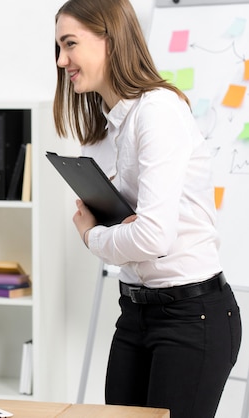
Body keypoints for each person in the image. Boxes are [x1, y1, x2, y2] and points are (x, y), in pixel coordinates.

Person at [53, 0, 241, 417]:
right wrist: (124, 233)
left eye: (70, 44)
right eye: (58, 48)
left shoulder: (157, 111)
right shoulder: (100, 130)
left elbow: (152, 236)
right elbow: (131, 231)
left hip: (193, 317)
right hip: (134, 311)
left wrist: (92, 236)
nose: (62, 60)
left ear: (109, 39)